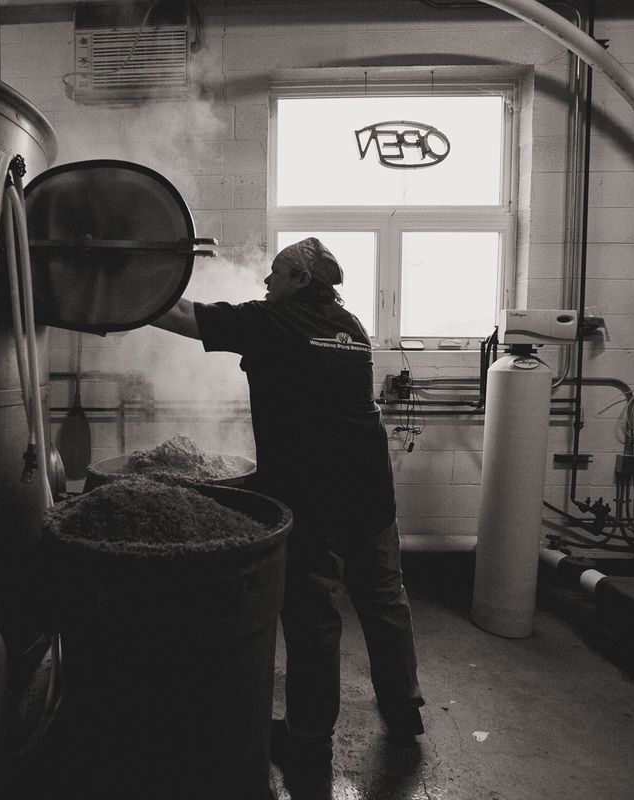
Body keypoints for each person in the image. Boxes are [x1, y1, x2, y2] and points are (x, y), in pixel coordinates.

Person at [150, 237, 424, 785]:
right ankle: (403, 711)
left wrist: (119, 294)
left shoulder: (275, 322)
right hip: (370, 494)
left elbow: (181, 315)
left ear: (299, 280)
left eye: (275, 273)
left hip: (314, 497)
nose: (266, 282)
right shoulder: (351, 328)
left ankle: (307, 742)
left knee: (313, 621)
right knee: (385, 603)